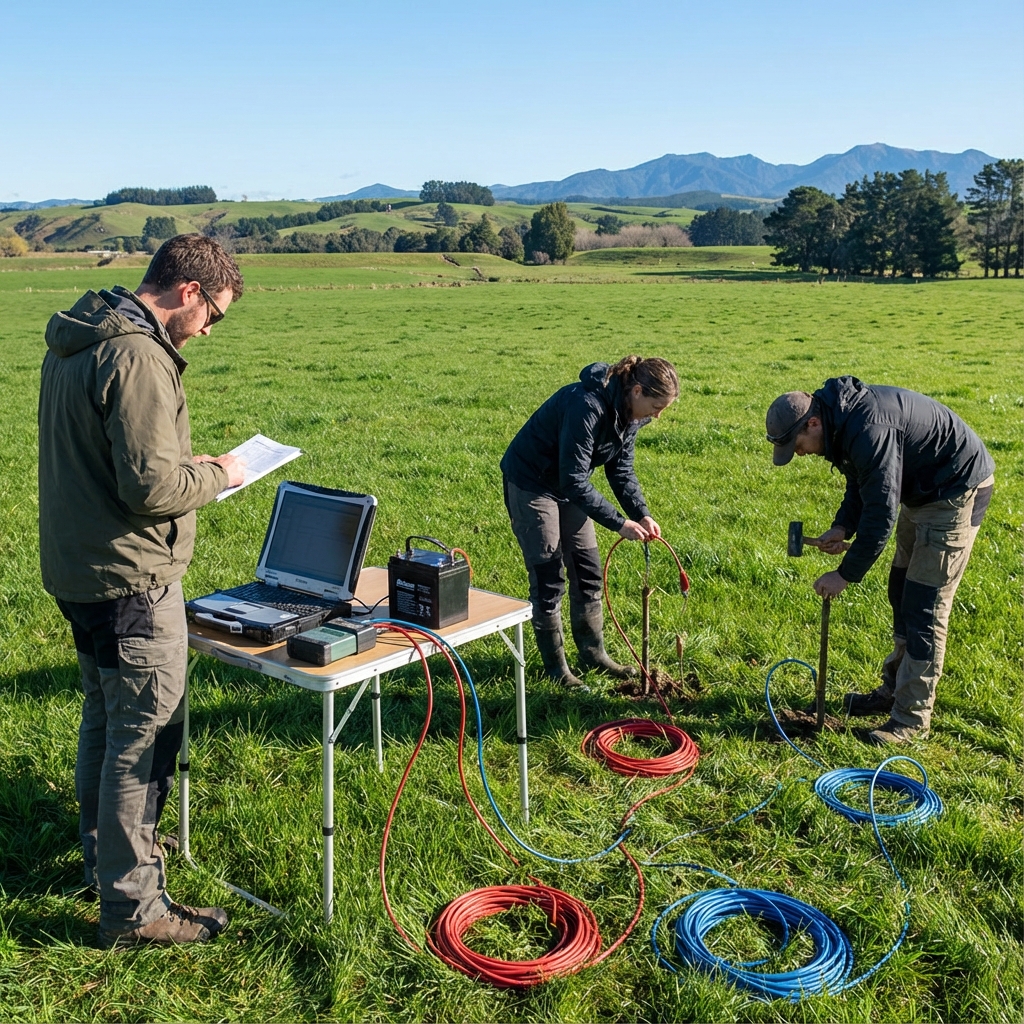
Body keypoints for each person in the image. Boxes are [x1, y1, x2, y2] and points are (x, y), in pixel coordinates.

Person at [38, 235, 247, 946]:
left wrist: (178, 463)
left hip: (80, 569)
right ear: (188, 291)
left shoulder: (82, 335)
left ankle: (105, 863)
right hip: (132, 579)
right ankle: (134, 910)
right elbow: (152, 486)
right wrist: (221, 472)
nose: (210, 329)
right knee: (145, 740)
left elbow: (113, 459)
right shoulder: (136, 354)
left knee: (104, 716)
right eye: (214, 313)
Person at [766, 376, 995, 745]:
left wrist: (844, 574)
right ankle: (892, 691)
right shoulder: (840, 421)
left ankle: (911, 718)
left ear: (812, 423)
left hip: (955, 492)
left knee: (924, 605)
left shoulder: (868, 427)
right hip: (921, 493)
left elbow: (881, 514)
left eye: (798, 446)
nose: (802, 454)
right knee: (900, 589)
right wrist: (842, 526)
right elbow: (861, 481)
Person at [501, 356, 679, 689]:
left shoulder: (632, 414)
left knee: (587, 568)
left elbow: (621, 470)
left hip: (570, 486)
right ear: (637, 390)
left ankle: (593, 653)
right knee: (549, 575)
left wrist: (641, 512)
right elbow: (573, 480)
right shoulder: (586, 406)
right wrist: (619, 524)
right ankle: (557, 670)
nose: (658, 416)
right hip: (532, 483)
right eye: (656, 406)